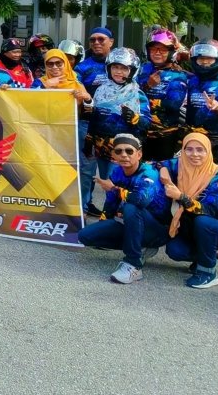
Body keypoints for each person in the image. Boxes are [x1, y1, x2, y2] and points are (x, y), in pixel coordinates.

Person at [77, 134, 172, 284]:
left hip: (158, 230)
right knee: (85, 236)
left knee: (131, 207)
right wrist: (104, 224)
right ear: (113, 155)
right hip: (132, 225)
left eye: (129, 151)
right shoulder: (117, 171)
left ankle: (133, 264)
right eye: (119, 151)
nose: (124, 155)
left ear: (139, 154)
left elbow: (141, 200)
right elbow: (111, 203)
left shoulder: (149, 173)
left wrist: (114, 189)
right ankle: (140, 246)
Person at [158, 133, 218, 288]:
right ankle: (204, 255)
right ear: (183, 151)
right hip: (191, 227)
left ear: (208, 151)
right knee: (175, 250)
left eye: (200, 150)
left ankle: (208, 272)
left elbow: (209, 209)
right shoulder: (180, 165)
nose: (194, 154)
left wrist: (181, 196)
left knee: (203, 222)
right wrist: (163, 170)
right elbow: (154, 164)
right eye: (189, 149)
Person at [85, 47, 151, 203]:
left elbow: (147, 122)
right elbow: (94, 117)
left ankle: (119, 212)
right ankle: (109, 212)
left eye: (124, 68)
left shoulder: (137, 93)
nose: (119, 72)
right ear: (108, 68)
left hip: (123, 149)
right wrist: (89, 139)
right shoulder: (100, 90)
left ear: (132, 70)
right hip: (102, 147)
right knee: (106, 183)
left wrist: (134, 118)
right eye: (115, 67)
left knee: (119, 184)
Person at [74, 27, 114, 216]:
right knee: (87, 169)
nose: (96, 43)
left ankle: (112, 210)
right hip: (88, 125)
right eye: (92, 40)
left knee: (112, 172)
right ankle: (83, 207)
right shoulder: (82, 67)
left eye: (101, 39)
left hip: (113, 127)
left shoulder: (120, 63)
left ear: (111, 42)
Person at [185, 39, 218, 168]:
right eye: (201, 59)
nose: (204, 62)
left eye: (209, 59)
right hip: (194, 139)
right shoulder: (192, 81)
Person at [137, 28, 189, 161]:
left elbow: (173, 104)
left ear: (171, 52)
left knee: (163, 169)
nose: (157, 53)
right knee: (141, 170)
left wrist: (147, 90)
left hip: (165, 135)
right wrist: (147, 86)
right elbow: (131, 94)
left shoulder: (178, 75)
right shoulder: (143, 69)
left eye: (163, 49)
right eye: (153, 49)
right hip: (141, 131)